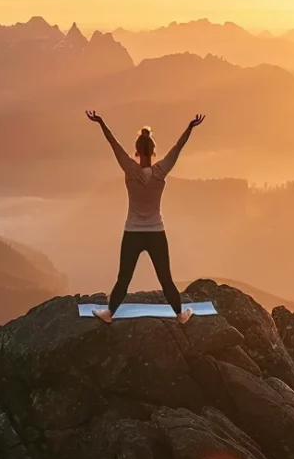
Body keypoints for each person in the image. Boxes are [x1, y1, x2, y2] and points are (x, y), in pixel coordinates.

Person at [86, 110, 206, 324]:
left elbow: (113, 144)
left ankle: (109, 314)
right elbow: (178, 148)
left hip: (132, 232)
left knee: (124, 278)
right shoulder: (161, 171)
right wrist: (190, 127)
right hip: (156, 233)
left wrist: (101, 122)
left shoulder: (130, 169)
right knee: (166, 278)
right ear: (153, 150)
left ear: (136, 151)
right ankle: (180, 315)